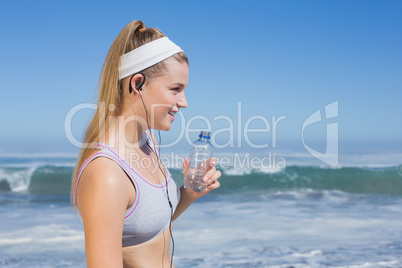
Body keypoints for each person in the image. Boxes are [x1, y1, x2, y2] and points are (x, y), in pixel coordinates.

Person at [71, 20, 221, 268]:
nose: (183, 102)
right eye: (175, 89)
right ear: (137, 83)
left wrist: (190, 194)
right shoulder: (106, 174)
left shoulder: (146, 142)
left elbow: (148, 224)